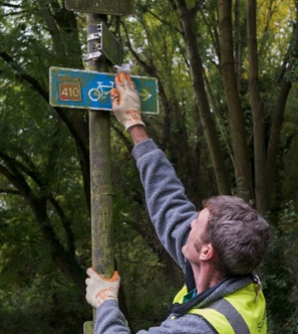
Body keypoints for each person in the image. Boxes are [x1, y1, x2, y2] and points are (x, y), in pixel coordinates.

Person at [85, 70, 271, 334]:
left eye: (198, 221)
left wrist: (106, 302)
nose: (191, 220)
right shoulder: (234, 275)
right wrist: (133, 123)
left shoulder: (203, 328)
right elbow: (169, 202)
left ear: (207, 251)